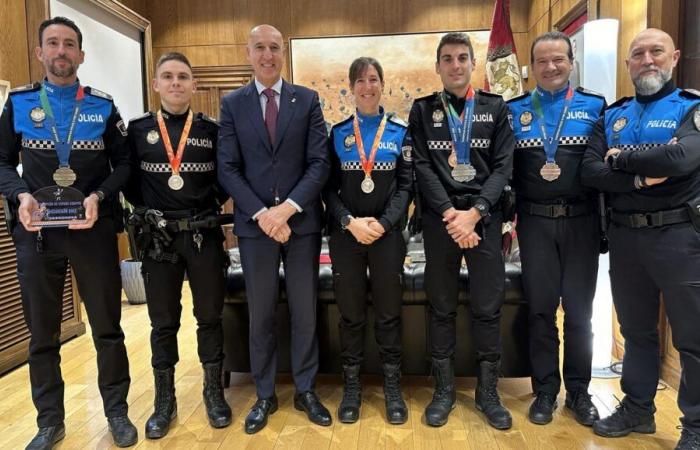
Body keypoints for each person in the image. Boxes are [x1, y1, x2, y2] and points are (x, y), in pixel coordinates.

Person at [0, 16, 136, 449]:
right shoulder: (20, 104)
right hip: (37, 234)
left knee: (107, 328)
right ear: (40, 53)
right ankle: (49, 421)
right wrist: (20, 195)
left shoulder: (102, 105)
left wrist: (99, 196)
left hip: (91, 231)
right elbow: (1, 162)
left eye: (70, 44)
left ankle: (116, 412)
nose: (62, 51)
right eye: (53, 44)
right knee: (43, 333)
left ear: (81, 54)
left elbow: (126, 164)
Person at [581, 28, 700, 450]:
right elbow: (591, 172)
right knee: (636, 332)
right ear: (628, 63)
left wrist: (622, 162)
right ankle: (638, 409)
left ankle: (696, 427)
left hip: (680, 238)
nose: (648, 60)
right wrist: (644, 175)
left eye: (657, 52)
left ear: (674, 57)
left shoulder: (691, 108)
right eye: (638, 53)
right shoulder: (613, 116)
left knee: (692, 337)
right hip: (626, 240)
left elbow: (684, 157)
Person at [217, 24, 331, 434]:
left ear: (282, 53)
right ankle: (265, 394)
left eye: (274, 48)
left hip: (301, 224)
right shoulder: (232, 104)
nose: (268, 55)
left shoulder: (308, 100)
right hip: (254, 228)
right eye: (260, 48)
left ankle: (305, 389)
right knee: (260, 315)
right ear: (248, 53)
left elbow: (319, 163)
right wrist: (264, 214)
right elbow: (227, 168)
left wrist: (285, 210)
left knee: (305, 312)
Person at [123, 52, 232, 439]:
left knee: (210, 316)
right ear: (155, 84)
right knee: (162, 322)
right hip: (159, 240)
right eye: (167, 77)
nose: (175, 83)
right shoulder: (137, 131)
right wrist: (152, 211)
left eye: (183, 77)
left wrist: (201, 211)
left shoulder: (212, 130)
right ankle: (164, 401)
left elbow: (225, 180)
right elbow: (128, 180)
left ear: (193, 85)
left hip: (202, 234)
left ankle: (212, 394)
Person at [409, 32, 515, 429]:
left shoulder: (495, 107)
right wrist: (453, 215)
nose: (455, 65)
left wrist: (477, 212)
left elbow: (504, 166)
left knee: (488, 308)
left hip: (484, 221)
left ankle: (488, 394)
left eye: (462, 58)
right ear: (437, 66)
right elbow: (421, 167)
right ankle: (444, 391)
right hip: (441, 223)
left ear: (473, 64)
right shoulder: (421, 111)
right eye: (447, 59)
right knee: (441, 307)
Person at [506, 31, 606, 427]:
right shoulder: (514, 111)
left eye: (558, 59)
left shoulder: (595, 107)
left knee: (581, 313)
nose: (551, 67)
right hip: (534, 224)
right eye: (543, 61)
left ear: (571, 60)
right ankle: (545, 389)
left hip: (582, 221)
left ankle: (579, 392)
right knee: (541, 312)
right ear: (531, 67)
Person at [324, 57, 413, 425]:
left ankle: (392, 386)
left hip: (387, 236)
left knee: (390, 313)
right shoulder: (338, 133)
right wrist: (348, 221)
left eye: (373, 79)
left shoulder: (399, 131)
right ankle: (352, 387)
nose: (367, 86)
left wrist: (384, 222)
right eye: (360, 81)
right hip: (347, 238)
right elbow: (327, 188)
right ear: (351, 88)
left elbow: (407, 185)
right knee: (351, 314)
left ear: (382, 85)